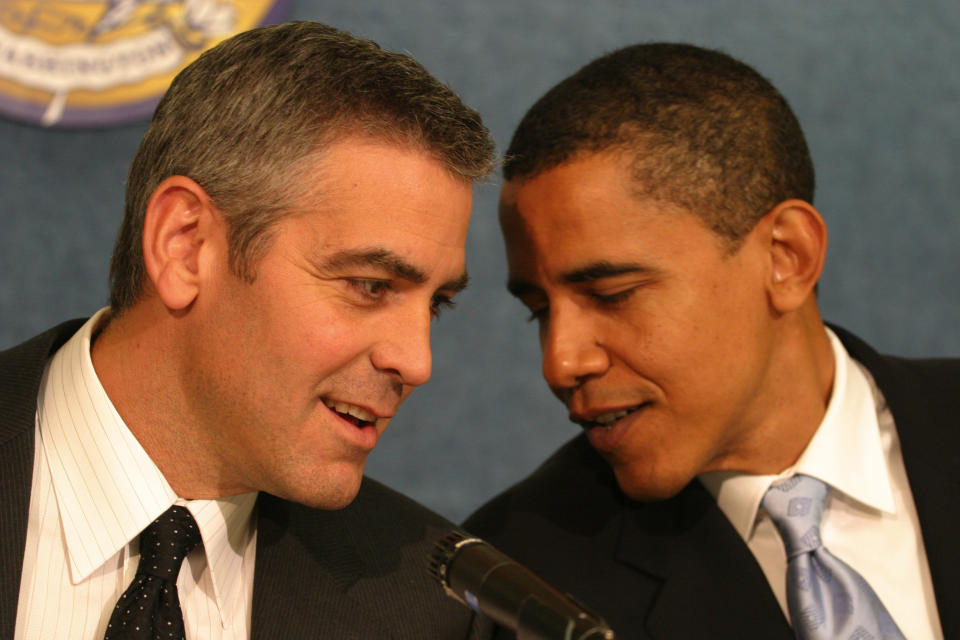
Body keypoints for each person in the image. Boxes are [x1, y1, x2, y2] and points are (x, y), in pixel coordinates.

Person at [0, 21, 495, 639]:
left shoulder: (432, 608)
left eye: (437, 304)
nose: (417, 363)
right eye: (370, 286)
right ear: (186, 247)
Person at [464, 43, 957, 639]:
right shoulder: (524, 588)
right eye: (538, 311)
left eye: (612, 293)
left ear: (787, 258)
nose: (561, 361)